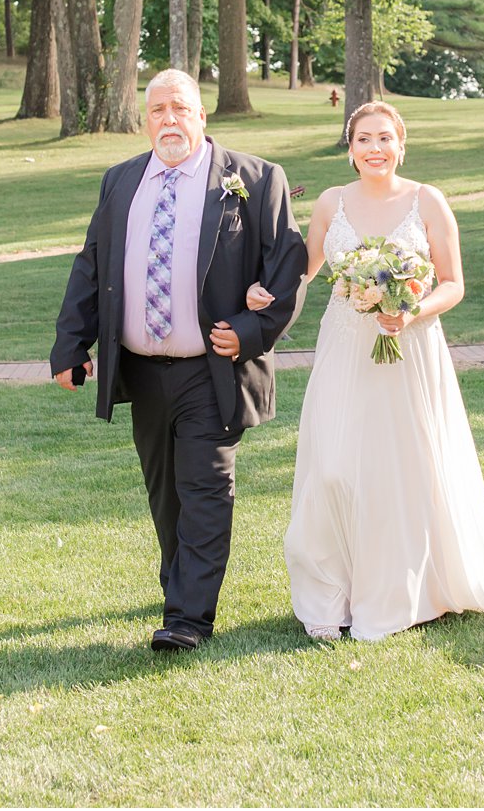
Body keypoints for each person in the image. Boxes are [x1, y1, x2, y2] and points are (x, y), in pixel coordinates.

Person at [51, 69, 308, 651]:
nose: (169, 119)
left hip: (210, 369)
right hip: (141, 369)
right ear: (145, 120)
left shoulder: (255, 179)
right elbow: (92, 265)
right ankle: (181, 587)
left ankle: (189, 618)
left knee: (205, 488)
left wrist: (250, 331)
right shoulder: (121, 182)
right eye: (157, 110)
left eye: (180, 108)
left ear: (202, 115)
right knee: (165, 492)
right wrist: (71, 344)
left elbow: (288, 269)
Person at [246, 101, 484, 641]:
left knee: (404, 466)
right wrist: (259, 292)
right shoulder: (330, 203)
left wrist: (410, 310)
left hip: (410, 350)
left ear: (401, 144)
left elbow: (453, 284)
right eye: (364, 139)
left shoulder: (426, 200)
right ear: (350, 149)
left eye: (385, 138)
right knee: (335, 466)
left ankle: (405, 589)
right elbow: (302, 272)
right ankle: (332, 591)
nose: (375, 149)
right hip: (344, 348)